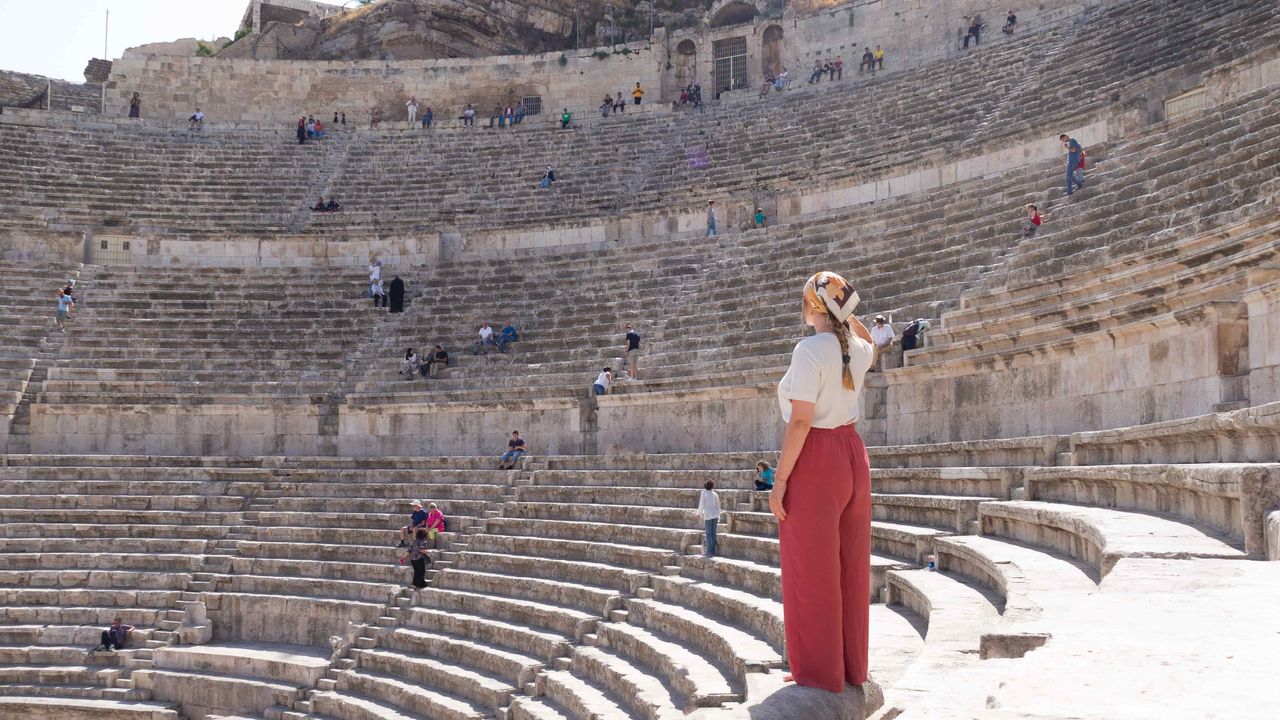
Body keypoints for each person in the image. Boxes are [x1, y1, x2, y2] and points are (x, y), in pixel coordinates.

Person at [771, 270, 876, 693]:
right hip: (853, 455)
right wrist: (846, 312)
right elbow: (865, 336)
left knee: (811, 569)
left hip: (816, 458)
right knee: (851, 566)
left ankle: (818, 670)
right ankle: (852, 667)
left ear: (813, 306)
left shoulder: (809, 350)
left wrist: (779, 481)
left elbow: (800, 422)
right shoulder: (859, 347)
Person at [698, 480, 721, 558]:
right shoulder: (715, 494)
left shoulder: (703, 493)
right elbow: (718, 505)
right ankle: (713, 551)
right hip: (715, 514)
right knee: (713, 532)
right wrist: (719, 515)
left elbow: (701, 504)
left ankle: (709, 551)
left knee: (708, 533)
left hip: (708, 515)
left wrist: (699, 514)